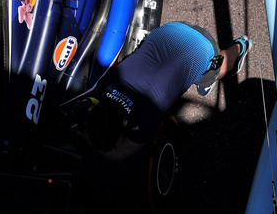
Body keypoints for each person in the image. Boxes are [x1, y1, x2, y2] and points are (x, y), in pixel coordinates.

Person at [81, 22, 251, 160]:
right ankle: (213, 63)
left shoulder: (148, 114)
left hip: (202, 46)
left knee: (218, 70)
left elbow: (119, 154)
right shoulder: (103, 86)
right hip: (171, 29)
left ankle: (241, 46)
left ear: (126, 123)